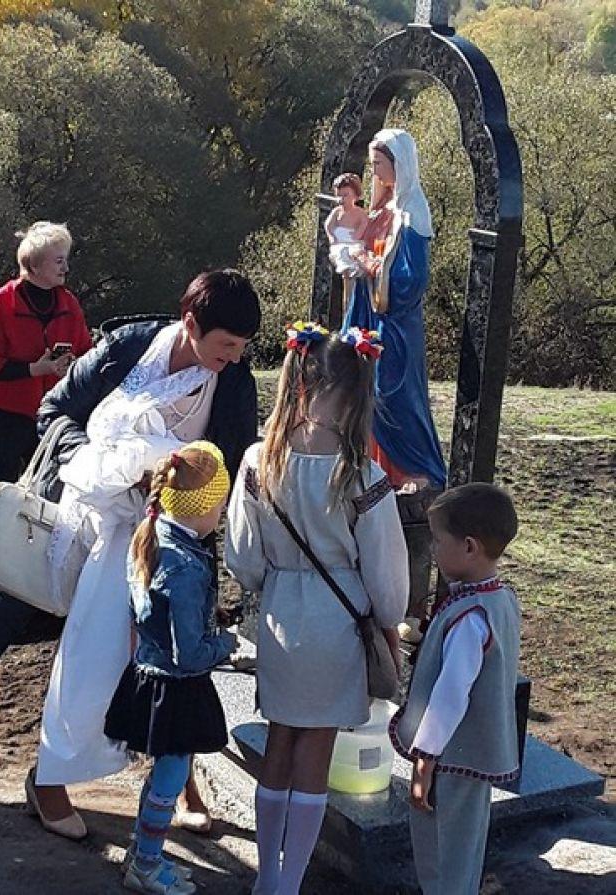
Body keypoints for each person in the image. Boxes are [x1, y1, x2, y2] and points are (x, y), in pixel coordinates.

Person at [0, 269, 260, 840]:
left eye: (242, 350)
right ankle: (50, 779)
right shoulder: (128, 347)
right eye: (225, 346)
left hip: (173, 536)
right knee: (90, 654)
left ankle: (178, 783)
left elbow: (230, 465)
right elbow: (55, 410)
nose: (232, 359)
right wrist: (100, 464)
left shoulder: (233, 382)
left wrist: (180, 485)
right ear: (191, 324)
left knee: (174, 659)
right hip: (90, 524)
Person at [225, 323, 409, 895]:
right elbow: (386, 575)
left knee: (279, 742)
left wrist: (272, 583)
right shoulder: (362, 474)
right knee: (317, 750)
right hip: (338, 622)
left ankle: (266, 876)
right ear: (356, 392)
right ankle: (291, 880)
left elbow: (242, 557)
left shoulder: (260, 460)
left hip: (280, 614)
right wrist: (388, 616)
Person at [105, 442, 236, 895]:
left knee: (162, 771)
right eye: (221, 503)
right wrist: (227, 644)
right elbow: (190, 654)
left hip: (148, 676)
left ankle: (145, 854)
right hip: (177, 687)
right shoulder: (184, 567)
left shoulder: (153, 531)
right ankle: (145, 865)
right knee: (171, 775)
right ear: (206, 508)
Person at [389, 483, 520, 895]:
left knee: (441, 850)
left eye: (438, 540)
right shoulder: (500, 599)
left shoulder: (470, 617)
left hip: (450, 758)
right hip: (471, 757)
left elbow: (451, 694)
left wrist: (425, 758)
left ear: (468, 547)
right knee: (464, 847)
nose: (433, 549)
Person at [342, 128, 447, 643]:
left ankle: (413, 467)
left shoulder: (412, 216)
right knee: (361, 396)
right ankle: (374, 462)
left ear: (400, 166)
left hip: (394, 329)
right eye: (372, 161)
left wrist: (372, 268)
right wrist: (354, 260)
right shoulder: (377, 212)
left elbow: (408, 282)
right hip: (366, 316)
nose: (375, 171)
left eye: (381, 162)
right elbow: (355, 249)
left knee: (393, 397)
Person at [0, 221, 92, 609]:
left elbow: (87, 351)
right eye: (58, 260)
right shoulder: (2, 303)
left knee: (44, 490)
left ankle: (29, 575)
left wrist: (71, 365)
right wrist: (34, 369)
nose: (65, 268)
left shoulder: (68, 303)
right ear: (34, 265)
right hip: (1, 410)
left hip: (47, 412)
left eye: (65, 260)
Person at [325, 173, 369, 277]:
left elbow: (364, 223)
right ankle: (346, 268)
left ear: (355, 195)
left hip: (353, 242)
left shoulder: (360, 213)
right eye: (339, 195)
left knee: (356, 252)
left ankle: (356, 269)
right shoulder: (336, 212)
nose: (342, 199)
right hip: (339, 243)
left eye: (345, 195)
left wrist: (357, 235)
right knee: (341, 252)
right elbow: (328, 225)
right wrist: (331, 237)